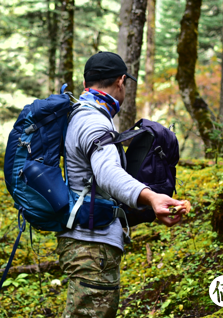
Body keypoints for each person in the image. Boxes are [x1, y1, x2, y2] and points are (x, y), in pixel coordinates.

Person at [56, 51, 189, 318]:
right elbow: (107, 173)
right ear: (120, 81)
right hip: (92, 247)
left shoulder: (82, 115)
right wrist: (151, 197)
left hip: (87, 242)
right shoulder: (93, 121)